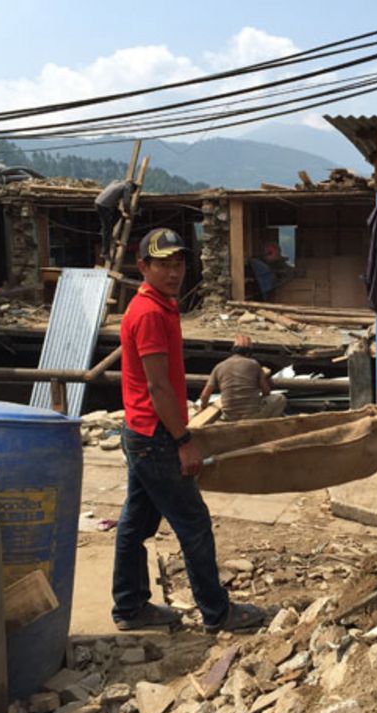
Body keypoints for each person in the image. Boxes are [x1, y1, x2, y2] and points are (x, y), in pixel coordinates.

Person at [112, 227, 265, 632]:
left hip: (141, 431)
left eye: (178, 263)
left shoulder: (161, 305)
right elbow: (158, 386)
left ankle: (129, 607)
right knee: (194, 524)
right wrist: (183, 440)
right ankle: (218, 613)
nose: (174, 271)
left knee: (135, 523)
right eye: (163, 264)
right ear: (143, 266)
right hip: (155, 436)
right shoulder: (147, 313)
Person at [198, 335, 286, 421]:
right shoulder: (254, 364)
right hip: (251, 416)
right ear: (248, 353)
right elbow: (266, 392)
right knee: (280, 398)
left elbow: (204, 395)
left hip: (229, 416)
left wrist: (203, 408)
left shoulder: (219, 367)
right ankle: (267, 425)